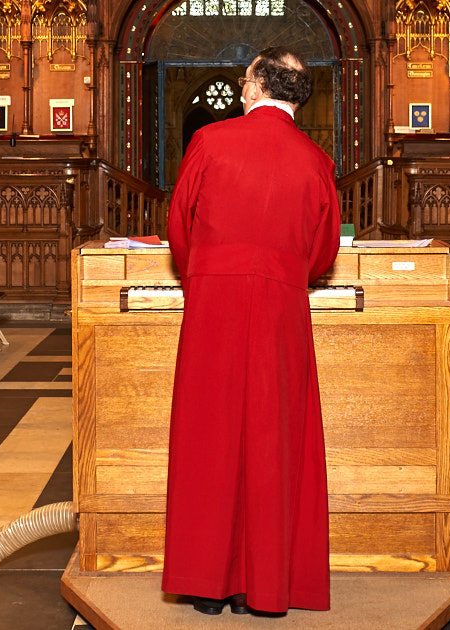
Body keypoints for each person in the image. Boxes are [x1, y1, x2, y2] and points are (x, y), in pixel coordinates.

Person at [163, 47, 340, 617]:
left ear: (259, 85)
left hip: (214, 300)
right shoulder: (315, 160)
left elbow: (179, 226)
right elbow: (324, 251)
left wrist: (207, 274)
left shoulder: (211, 143)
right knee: (273, 438)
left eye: (244, 78)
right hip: (281, 307)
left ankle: (206, 584)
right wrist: (285, 273)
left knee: (207, 436)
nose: (240, 87)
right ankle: (261, 588)